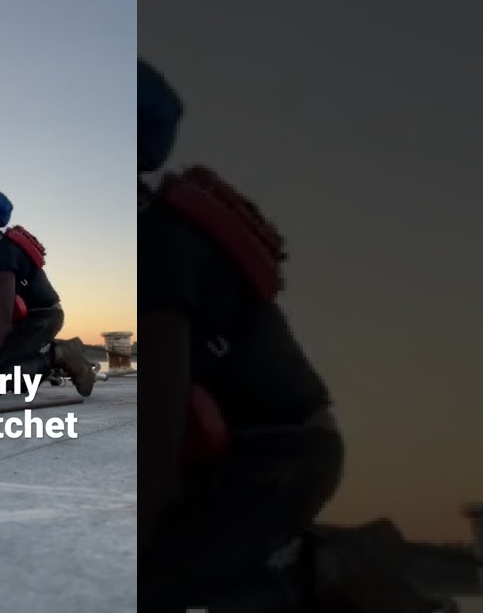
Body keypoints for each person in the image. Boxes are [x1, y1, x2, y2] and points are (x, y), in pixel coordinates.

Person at [135, 57, 346, 611]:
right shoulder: (153, 231)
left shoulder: (157, 245)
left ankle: (325, 574)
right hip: (249, 451)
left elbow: (158, 418)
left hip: (276, 455)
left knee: (146, 582)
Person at [0, 188, 96, 397]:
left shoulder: (3, 254)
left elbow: (2, 321)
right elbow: (0, 300)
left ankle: (59, 354)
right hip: (19, 317)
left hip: (42, 316)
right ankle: (8, 359)